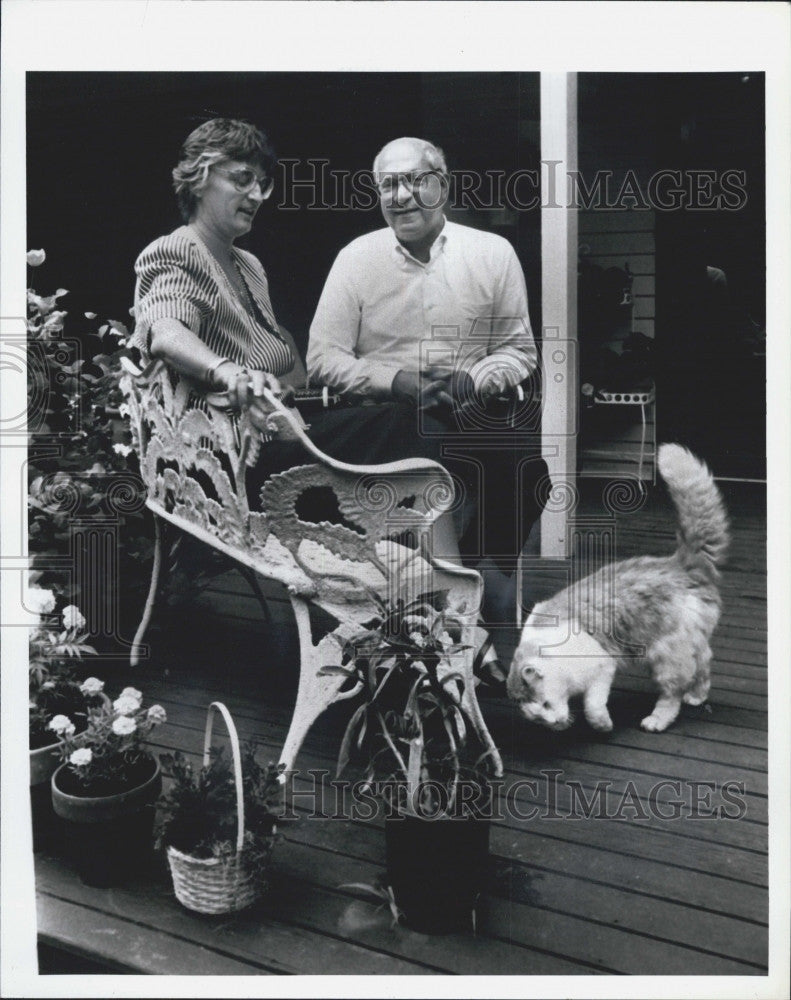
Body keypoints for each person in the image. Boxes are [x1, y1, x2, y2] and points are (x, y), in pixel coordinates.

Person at [307, 136, 549, 668]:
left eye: (416, 179)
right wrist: (396, 381)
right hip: (381, 415)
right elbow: (323, 358)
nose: (402, 195)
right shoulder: (357, 259)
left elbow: (518, 350)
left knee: (528, 465)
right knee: (426, 444)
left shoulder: (491, 253)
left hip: (466, 406)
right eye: (389, 184)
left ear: (443, 183)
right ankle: (458, 613)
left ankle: (488, 579)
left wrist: (477, 378)